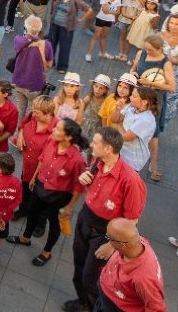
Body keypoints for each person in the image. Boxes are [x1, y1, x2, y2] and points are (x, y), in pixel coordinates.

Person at [63, 128, 147, 312]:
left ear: (108, 149)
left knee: (90, 279)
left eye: (95, 142)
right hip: (85, 220)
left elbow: (132, 219)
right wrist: (85, 178)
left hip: (103, 234)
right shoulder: (97, 161)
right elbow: (93, 188)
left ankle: (95, 307)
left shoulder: (130, 180)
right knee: (78, 265)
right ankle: (83, 303)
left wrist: (112, 245)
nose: (91, 144)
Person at [10, 118, 89, 267]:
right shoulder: (51, 141)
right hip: (40, 186)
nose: (53, 130)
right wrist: (34, 178)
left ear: (68, 137)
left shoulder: (77, 160)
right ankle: (25, 238)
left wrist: (69, 207)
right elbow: (41, 159)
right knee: (32, 214)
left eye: (58, 129)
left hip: (58, 197)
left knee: (54, 225)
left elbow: (79, 187)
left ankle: (46, 252)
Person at [96, 218, 166, 311]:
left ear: (122, 245)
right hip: (105, 298)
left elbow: (156, 308)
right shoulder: (137, 243)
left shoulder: (143, 278)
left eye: (109, 238)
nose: (108, 242)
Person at [11, 15, 55, 115]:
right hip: (35, 85)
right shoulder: (47, 45)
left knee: (19, 111)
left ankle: (18, 130)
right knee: (32, 112)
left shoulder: (18, 40)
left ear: (26, 27)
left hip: (18, 82)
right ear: (39, 29)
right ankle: (29, 129)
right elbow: (49, 65)